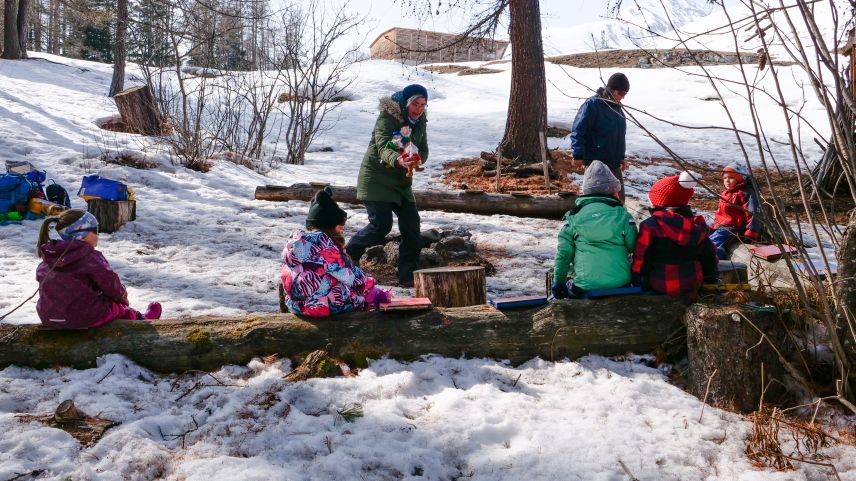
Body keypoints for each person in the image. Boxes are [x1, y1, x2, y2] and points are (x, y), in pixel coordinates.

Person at [346, 84, 429, 287]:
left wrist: (417, 158)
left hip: (401, 182)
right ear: (405, 103)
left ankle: (407, 275)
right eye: (415, 104)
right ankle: (349, 254)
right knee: (381, 225)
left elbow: (424, 148)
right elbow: (383, 147)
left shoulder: (420, 122)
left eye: (423, 105)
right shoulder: (387, 118)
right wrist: (399, 160)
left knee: (412, 226)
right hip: (376, 179)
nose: (419, 109)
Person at [36, 209, 161, 329]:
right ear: (81, 234)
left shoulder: (50, 255)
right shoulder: (90, 256)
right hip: (85, 317)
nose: (98, 234)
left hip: (49, 318)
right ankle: (141, 321)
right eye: (95, 230)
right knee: (117, 308)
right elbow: (110, 283)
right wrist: (122, 297)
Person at [282, 187, 391, 317]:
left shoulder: (297, 244)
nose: (341, 231)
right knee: (359, 298)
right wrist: (369, 283)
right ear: (330, 226)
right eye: (340, 227)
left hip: (297, 306)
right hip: (324, 306)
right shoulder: (325, 245)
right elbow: (347, 275)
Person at [552, 161, 638, 299]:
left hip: (585, 287)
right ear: (614, 191)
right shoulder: (623, 216)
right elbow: (635, 247)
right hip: (621, 284)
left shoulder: (574, 218)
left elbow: (563, 255)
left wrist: (559, 281)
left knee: (569, 285)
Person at [631, 173, 719, 296]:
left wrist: (638, 282)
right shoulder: (698, 226)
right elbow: (709, 255)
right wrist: (711, 279)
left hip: (661, 285)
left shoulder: (650, 226)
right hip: (693, 285)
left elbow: (641, 259)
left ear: (658, 203)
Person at [571, 72, 630, 201]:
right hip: (595, 163)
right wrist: (578, 154)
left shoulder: (617, 108)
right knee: (597, 200)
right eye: (621, 94)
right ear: (612, 90)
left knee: (619, 200)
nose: (623, 98)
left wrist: (621, 157)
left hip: (613, 163)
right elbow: (578, 129)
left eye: (625, 94)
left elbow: (619, 135)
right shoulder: (592, 105)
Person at [710, 163, 762, 259]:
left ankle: (713, 262)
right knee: (704, 238)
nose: (727, 181)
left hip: (735, 228)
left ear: (740, 179)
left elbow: (753, 213)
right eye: (725, 178)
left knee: (711, 244)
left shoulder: (745, 193)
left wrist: (751, 232)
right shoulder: (725, 193)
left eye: (731, 178)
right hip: (722, 227)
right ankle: (719, 254)